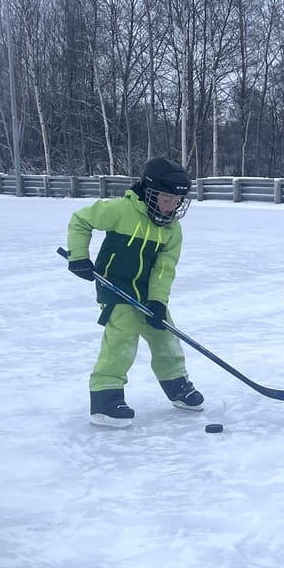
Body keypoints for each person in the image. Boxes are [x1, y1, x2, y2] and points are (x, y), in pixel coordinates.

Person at [65, 157, 205, 428]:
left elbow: (165, 269)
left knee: (165, 336)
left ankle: (177, 386)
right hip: (114, 286)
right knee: (122, 338)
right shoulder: (121, 211)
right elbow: (80, 220)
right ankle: (105, 398)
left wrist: (157, 302)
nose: (171, 206)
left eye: (177, 200)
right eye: (165, 198)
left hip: (146, 292)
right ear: (150, 192)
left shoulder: (172, 230)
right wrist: (78, 256)